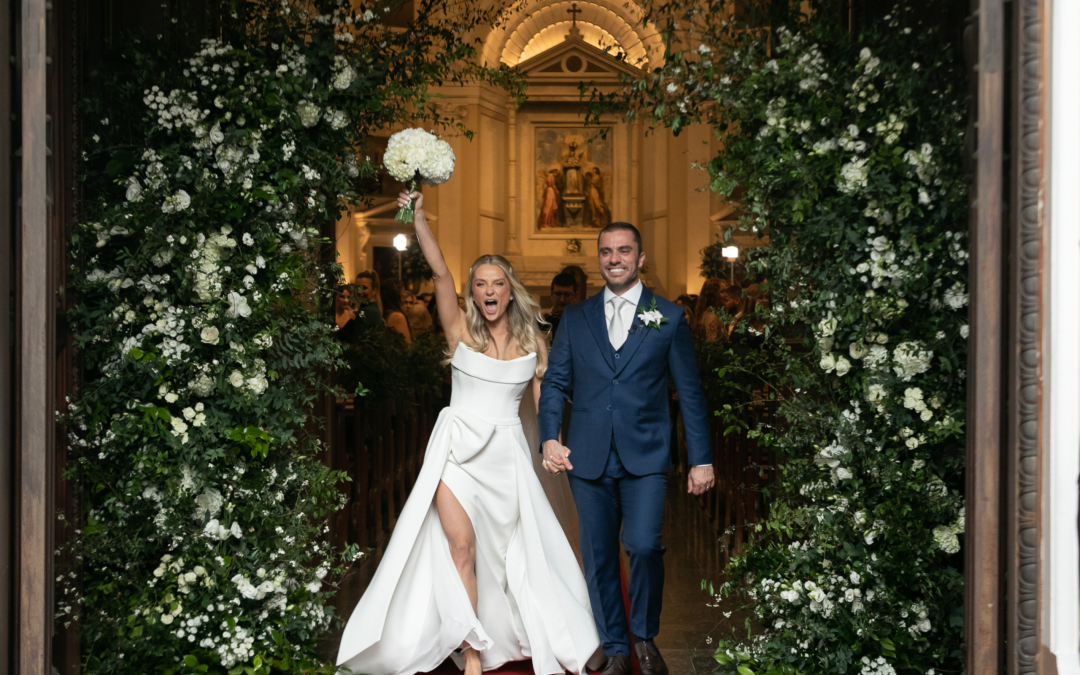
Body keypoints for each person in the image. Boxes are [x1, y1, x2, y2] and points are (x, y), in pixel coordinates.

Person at [337, 191, 602, 675]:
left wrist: (552, 442)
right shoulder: (459, 331)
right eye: (480, 284)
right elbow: (440, 273)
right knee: (461, 547)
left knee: (505, 557)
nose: (488, 290)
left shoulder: (533, 340)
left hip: (506, 459)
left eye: (496, 282)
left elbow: (544, 404)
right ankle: (474, 656)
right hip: (456, 453)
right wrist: (418, 219)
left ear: (509, 288)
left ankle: (515, 629)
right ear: (473, 292)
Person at [538, 222, 714, 675]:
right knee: (598, 557)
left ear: (640, 259)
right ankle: (616, 647)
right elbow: (555, 382)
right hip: (588, 455)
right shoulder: (575, 318)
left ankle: (645, 636)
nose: (614, 258)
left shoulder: (669, 317)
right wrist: (550, 436)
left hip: (647, 456)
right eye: (606, 251)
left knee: (644, 546)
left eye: (623, 251)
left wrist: (702, 458)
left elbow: (690, 393)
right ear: (599, 258)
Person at [542, 272, 578, 339]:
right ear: (551, 295)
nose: (562, 300)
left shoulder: (583, 322)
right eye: (558, 294)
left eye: (567, 295)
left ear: (575, 296)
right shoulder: (543, 321)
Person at [380, 277, 413, 344]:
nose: (404, 294)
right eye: (403, 291)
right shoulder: (396, 316)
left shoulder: (386, 312)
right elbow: (407, 344)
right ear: (396, 294)